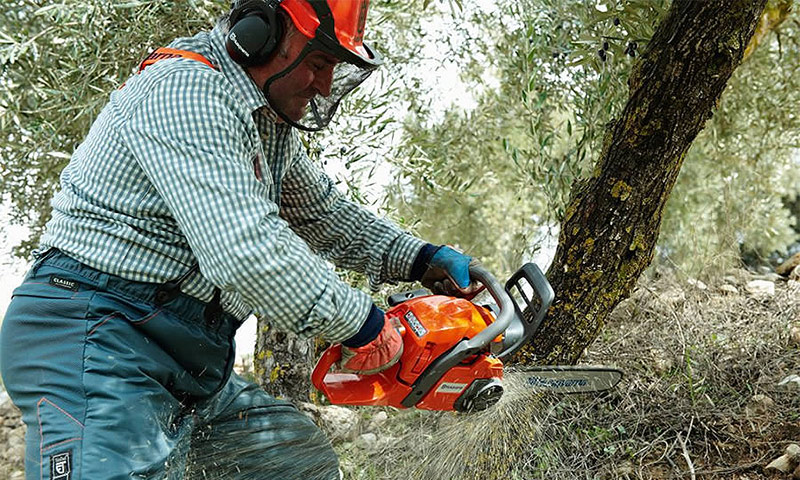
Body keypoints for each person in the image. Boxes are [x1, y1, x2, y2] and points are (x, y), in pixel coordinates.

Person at [0, 1, 477, 479]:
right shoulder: (186, 92)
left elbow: (323, 213)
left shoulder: (262, 123)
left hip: (183, 354)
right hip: (98, 333)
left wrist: (420, 258)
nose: (324, 85)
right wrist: (363, 323)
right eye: (318, 62)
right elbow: (245, 250)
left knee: (292, 461)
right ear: (260, 34)